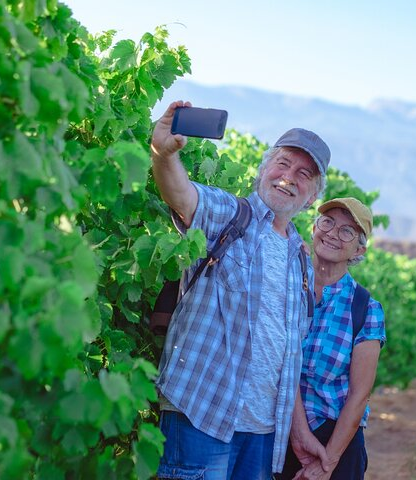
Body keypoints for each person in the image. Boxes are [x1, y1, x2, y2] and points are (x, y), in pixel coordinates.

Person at [150, 100, 332, 479]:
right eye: (282, 163)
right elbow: (181, 196)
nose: (289, 176)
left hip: (264, 431)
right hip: (200, 413)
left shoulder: (300, 258)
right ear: (263, 169)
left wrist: (298, 432)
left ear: (312, 196)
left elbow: (287, 354)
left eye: (304, 173)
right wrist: (163, 155)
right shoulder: (230, 215)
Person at [279, 197, 387, 480]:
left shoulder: (365, 308)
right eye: (327, 222)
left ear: (359, 249)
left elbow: (358, 395)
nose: (333, 234)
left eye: (347, 231)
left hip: (335, 439)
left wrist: (327, 463)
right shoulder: (285, 284)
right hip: (277, 431)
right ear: (314, 228)